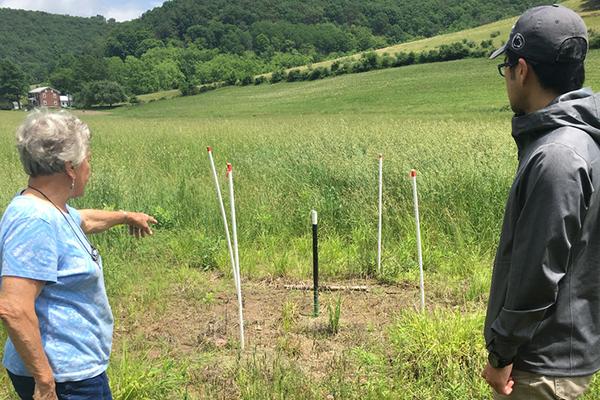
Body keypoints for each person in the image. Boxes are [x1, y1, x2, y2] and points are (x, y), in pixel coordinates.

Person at [481, 4, 600, 399]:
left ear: (522, 70)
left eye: (507, 67)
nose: (507, 78)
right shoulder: (584, 141)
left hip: (542, 365)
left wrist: (501, 354)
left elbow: (538, 273)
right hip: (564, 351)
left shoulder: (558, 157)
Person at [0, 110, 157, 399]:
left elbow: (83, 219)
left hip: (71, 369)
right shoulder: (35, 220)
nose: (90, 168)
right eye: (88, 160)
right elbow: (13, 307)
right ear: (70, 168)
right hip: (64, 379)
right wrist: (45, 382)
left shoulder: (49, 208)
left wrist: (125, 216)